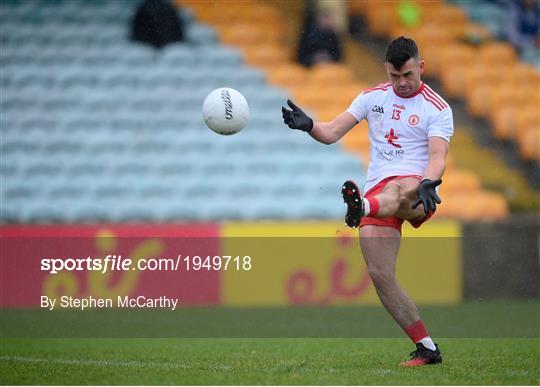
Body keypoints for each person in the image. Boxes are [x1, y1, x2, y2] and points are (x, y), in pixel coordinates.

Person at [282, 36, 453, 367]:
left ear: (421, 67)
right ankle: (427, 347)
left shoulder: (437, 107)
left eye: (407, 75)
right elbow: (331, 132)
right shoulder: (371, 98)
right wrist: (309, 126)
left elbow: (437, 155)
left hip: (417, 190)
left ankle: (363, 208)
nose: (401, 83)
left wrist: (429, 181)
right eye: (394, 76)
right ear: (386, 71)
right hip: (377, 191)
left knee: (398, 189)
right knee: (380, 273)